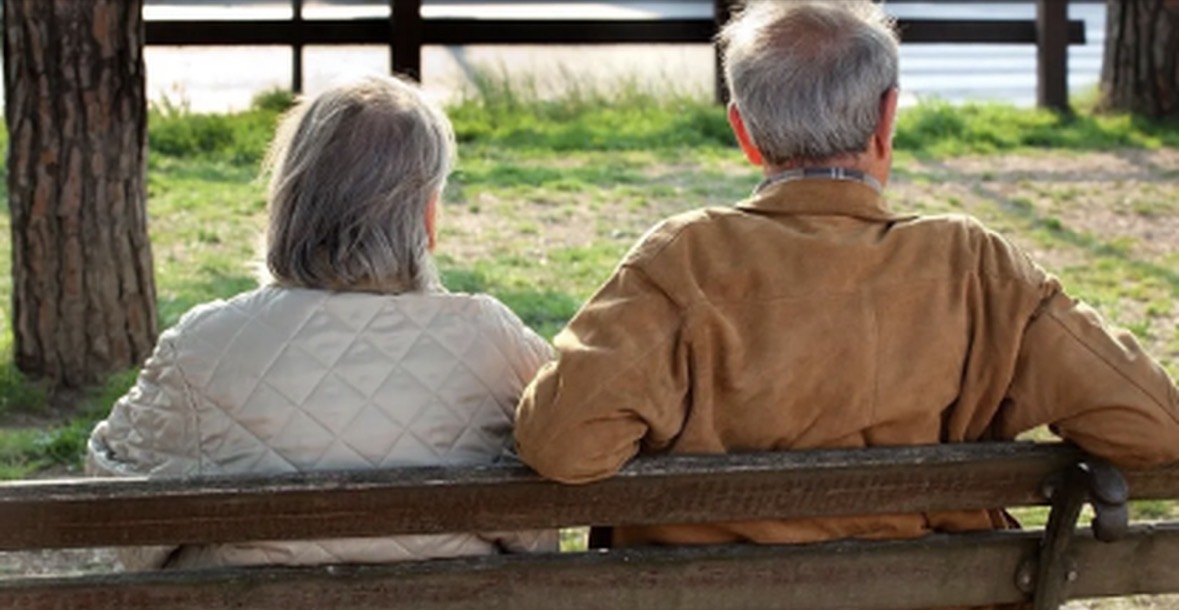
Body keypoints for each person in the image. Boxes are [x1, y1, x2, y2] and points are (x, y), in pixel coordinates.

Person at [514, 0, 1179, 552]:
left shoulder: (683, 259)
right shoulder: (974, 265)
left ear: (743, 132)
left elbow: (562, 445)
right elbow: (1152, 427)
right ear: (888, 118)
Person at [87, 75, 557, 570]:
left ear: (289, 206)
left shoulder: (203, 347)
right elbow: (540, 521)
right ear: (427, 218)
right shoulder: (494, 342)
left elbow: (117, 497)